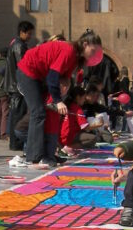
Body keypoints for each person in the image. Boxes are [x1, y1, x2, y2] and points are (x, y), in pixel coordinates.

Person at [14, 29, 104, 169]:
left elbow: (63, 78)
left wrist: (64, 90)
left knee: (52, 113)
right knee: (38, 113)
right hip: (28, 71)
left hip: (39, 76)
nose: (93, 56)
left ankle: (48, 154)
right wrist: (58, 100)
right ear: (85, 44)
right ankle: (35, 157)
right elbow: (52, 77)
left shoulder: (75, 58)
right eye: (92, 51)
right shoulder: (68, 50)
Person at [5, 20, 35, 151]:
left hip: (15, 85)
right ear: (22, 32)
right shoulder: (19, 46)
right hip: (17, 86)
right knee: (18, 115)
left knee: (17, 114)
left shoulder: (18, 44)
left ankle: (15, 143)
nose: (30, 36)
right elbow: (23, 65)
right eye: (28, 33)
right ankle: (15, 143)